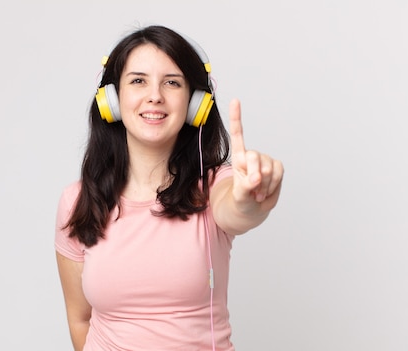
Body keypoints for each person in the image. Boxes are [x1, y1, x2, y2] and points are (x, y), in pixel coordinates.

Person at [55, 25, 284, 351]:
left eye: (172, 82)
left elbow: (236, 209)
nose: (155, 95)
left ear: (195, 104)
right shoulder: (77, 200)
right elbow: (80, 319)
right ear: (112, 100)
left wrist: (253, 198)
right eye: (138, 81)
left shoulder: (216, 184)